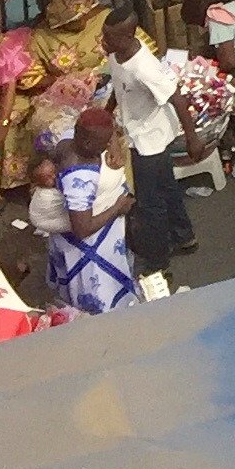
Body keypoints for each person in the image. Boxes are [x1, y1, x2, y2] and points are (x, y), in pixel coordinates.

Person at [100, 15, 198, 277]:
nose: (103, 41)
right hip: (136, 132)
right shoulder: (116, 55)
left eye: (108, 37)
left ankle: (158, 260)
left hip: (150, 141)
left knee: (149, 202)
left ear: (127, 36)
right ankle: (184, 235)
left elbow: (177, 99)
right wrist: (106, 112)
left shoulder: (145, 68)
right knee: (166, 187)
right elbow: (117, 87)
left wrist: (192, 139)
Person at [46, 105, 140, 313]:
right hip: (89, 247)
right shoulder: (79, 178)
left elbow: (104, 123)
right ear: (88, 143)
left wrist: (113, 143)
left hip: (100, 233)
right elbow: (82, 230)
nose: (109, 143)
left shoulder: (72, 138)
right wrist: (118, 207)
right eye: (105, 142)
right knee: (99, 298)